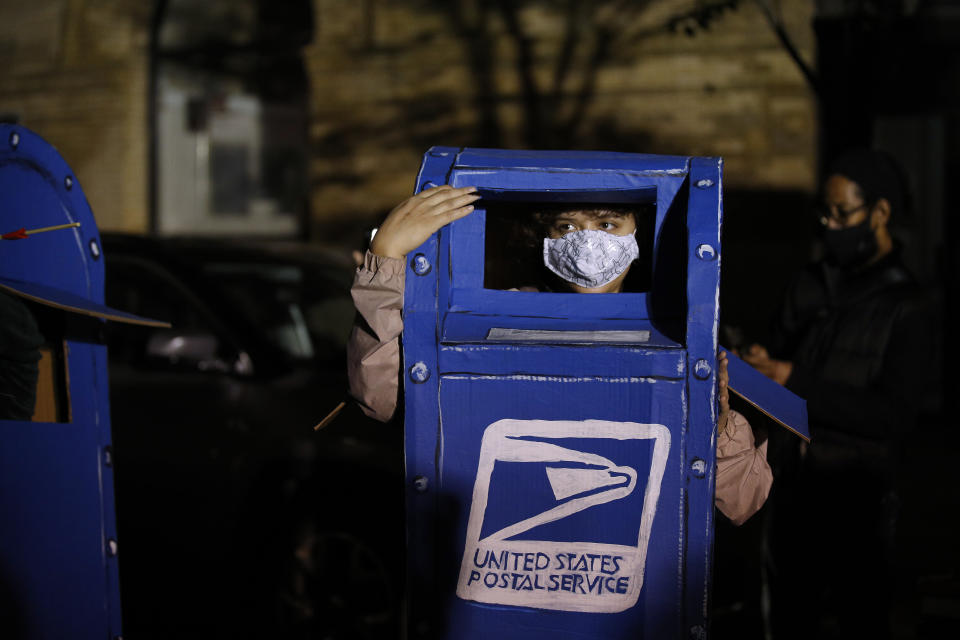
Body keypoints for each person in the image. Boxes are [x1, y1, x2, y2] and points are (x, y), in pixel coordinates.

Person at [348, 184, 772, 525]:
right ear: (544, 240)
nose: (589, 243)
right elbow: (385, 398)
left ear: (639, 232)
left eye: (608, 224)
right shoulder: (496, 317)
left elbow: (742, 500)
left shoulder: (679, 334)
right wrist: (385, 262)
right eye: (566, 228)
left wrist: (713, 426)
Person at [742, 149, 940, 638]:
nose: (829, 226)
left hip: (859, 501)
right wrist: (758, 364)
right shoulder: (809, 283)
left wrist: (796, 378)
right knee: (786, 621)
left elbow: (893, 416)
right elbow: (777, 361)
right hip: (791, 493)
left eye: (841, 214)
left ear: (880, 213)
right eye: (824, 215)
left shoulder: (908, 307)